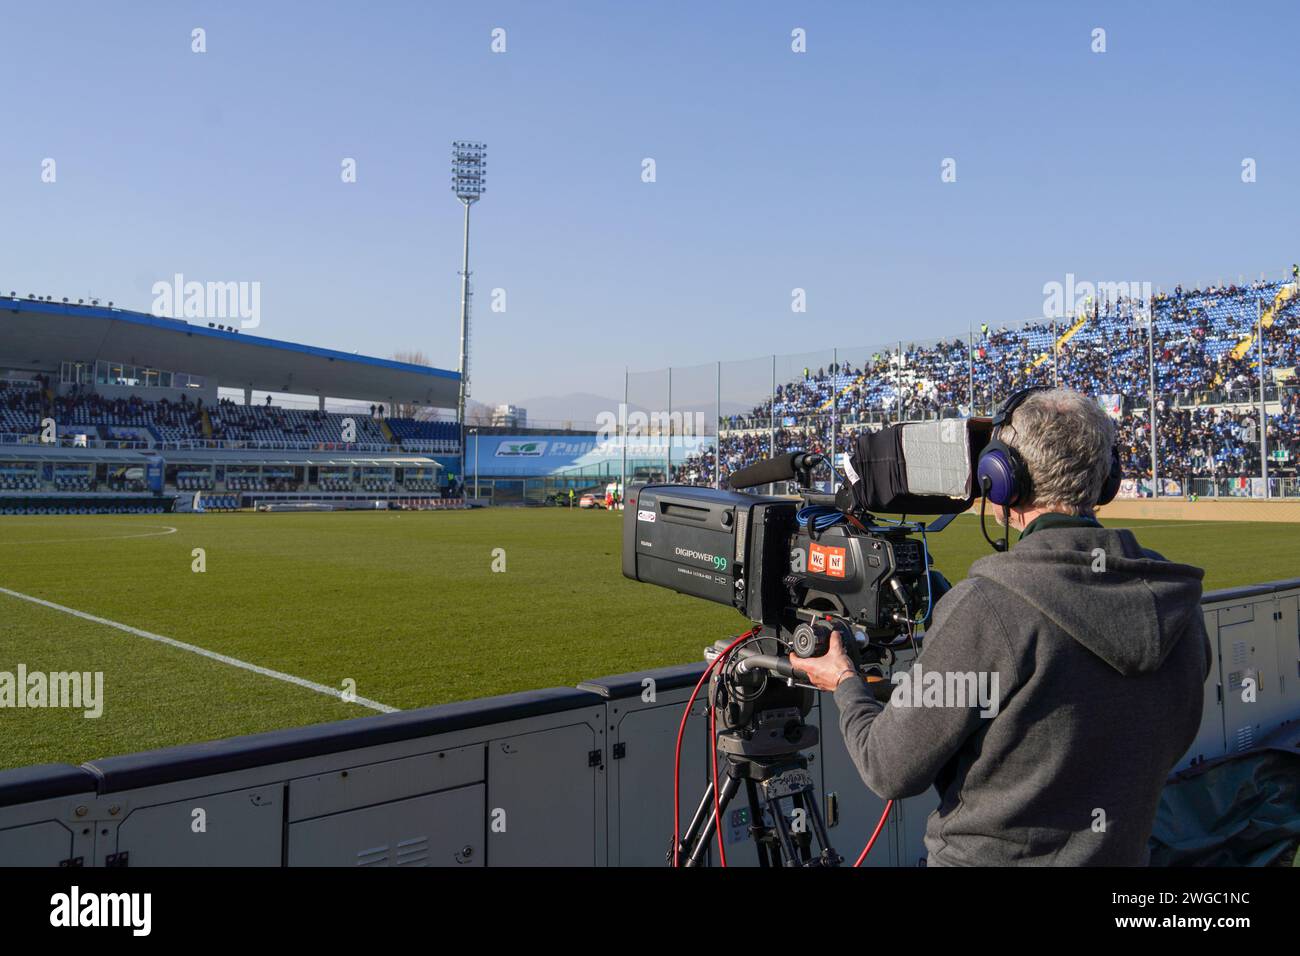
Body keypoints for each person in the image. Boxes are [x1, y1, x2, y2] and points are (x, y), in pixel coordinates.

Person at [797, 388, 1210, 865]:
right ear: (1106, 478)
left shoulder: (990, 607)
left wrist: (845, 682)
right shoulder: (1176, 601)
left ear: (1001, 479)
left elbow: (887, 767)